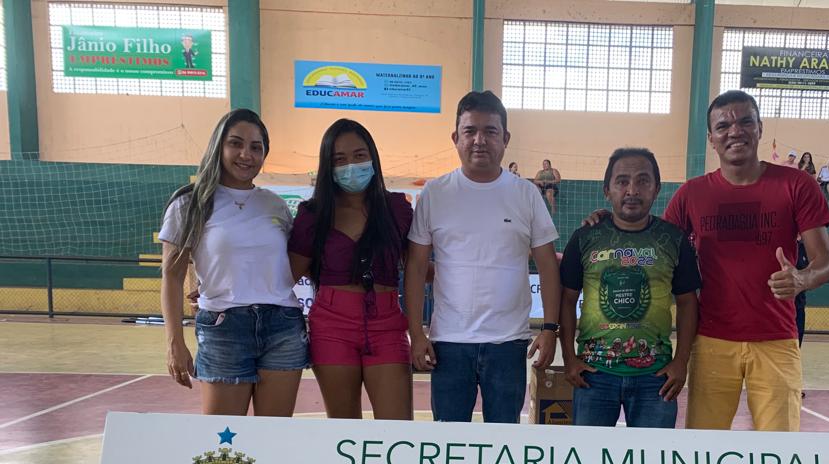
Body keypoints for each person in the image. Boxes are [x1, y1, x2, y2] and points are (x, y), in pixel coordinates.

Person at [663, 91, 829, 431]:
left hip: (777, 339)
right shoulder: (691, 194)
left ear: (759, 128)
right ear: (711, 139)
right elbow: (657, 250)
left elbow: (825, 261)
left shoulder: (796, 185)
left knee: (779, 452)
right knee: (704, 450)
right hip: (711, 338)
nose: (734, 131)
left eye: (745, 121)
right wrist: (608, 224)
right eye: (723, 125)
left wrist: (802, 279)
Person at [404, 90, 561, 423]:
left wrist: (550, 330)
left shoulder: (526, 194)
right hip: (448, 343)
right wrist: (417, 334)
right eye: (470, 131)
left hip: (508, 344)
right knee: (448, 448)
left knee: (502, 444)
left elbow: (548, 267)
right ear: (455, 137)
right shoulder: (435, 192)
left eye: (490, 131)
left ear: (505, 138)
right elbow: (416, 267)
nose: (479, 140)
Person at [159, 109, 308, 416]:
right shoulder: (190, 202)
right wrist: (175, 342)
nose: (246, 154)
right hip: (223, 327)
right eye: (235, 143)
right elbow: (171, 278)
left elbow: (287, 266)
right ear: (218, 146)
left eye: (256, 147)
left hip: (283, 328)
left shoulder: (275, 204)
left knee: (273, 438)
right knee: (223, 441)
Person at [559, 148, 700, 428]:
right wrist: (569, 359)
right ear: (607, 190)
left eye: (643, 180)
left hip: (657, 378)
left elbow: (688, 302)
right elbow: (566, 300)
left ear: (657, 188)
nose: (632, 190)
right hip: (593, 375)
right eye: (622, 181)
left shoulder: (674, 239)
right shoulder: (586, 237)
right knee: (589, 463)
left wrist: (681, 361)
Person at [288, 119, 413, 420]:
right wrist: (227, 285)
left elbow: (418, 268)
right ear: (327, 167)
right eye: (339, 160)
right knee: (343, 430)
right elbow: (283, 277)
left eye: (359, 155)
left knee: (398, 433)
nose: (350, 166)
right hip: (332, 327)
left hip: (388, 324)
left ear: (372, 157)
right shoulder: (313, 215)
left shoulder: (397, 209)